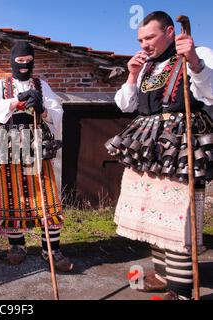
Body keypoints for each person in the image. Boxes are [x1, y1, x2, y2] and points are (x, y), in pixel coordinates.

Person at [105, 11, 213, 300]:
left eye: (150, 37)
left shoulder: (196, 53)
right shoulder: (147, 66)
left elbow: (211, 93)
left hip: (178, 146)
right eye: (140, 39)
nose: (144, 44)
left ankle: (181, 291)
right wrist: (131, 74)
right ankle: (163, 276)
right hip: (148, 146)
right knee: (153, 213)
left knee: (178, 215)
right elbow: (126, 106)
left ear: (169, 32)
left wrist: (194, 62)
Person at [0, 41, 72, 272]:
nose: (24, 64)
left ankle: (50, 248)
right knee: (12, 193)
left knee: (45, 192)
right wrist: (16, 101)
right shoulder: (0, 84)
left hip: (38, 144)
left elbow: (58, 112)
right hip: (9, 143)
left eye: (28, 60)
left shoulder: (41, 84)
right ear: (12, 61)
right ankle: (17, 246)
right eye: (20, 60)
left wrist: (42, 109)